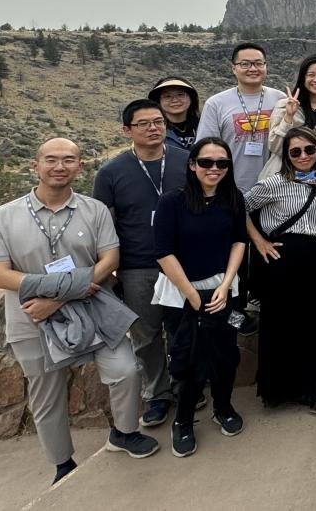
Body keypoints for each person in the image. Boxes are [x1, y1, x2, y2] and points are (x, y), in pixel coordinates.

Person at [0, 138, 159, 484]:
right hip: (32, 318)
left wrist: (59, 297)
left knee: (125, 369)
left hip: (94, 311)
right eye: (51, 159)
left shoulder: (94, 211)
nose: (59, 166)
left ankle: (123, 434)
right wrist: (66, 290)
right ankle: (62, 463)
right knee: (46, 393)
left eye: (69, 160)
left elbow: (110, 260)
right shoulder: (3, 217)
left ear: (80, 167)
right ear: (35, 166)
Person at [91, 99, 188, 428]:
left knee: (181, 331)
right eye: (144, 123)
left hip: (182, 262)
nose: (153, 128)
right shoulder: (111, 173)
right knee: (145, 335)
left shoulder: (186, 161)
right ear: (127, 130)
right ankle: (157, 395)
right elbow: (99, 224)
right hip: (137, 267)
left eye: (158, 122)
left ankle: (184, 386)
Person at [153, 138, 250, 458]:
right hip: (181, 295)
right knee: (187, 357)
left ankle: (223, 406)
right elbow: (163, 252)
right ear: (192, 165)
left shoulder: (233, 199)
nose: (214, 169)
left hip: (225, 292)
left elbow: (239, 242)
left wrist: (226, 284)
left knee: (225, 352)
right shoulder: (171, 203)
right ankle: (182, 420)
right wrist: (192, 295)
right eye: (207, 162)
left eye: (222, 163)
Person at [245, 127, 316, 416]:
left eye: (309, 150)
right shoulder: (273, 183)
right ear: (287, 156)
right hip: (280, 259)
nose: (303, 156)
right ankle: (284, 389)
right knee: (281, 323)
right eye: (296, 152)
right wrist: (259, 240)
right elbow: (238, 207)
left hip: (314, 257)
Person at [195, 42, 287, 192]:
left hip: (275, 189)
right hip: (230, 190)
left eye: (258, 63)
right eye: (245, 64)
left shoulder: (280, 99)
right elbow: (204, 150)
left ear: (265, 66)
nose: (253, 68)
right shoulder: (216, 104)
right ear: (234, 68)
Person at [264, 53, 316, 179]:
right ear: (303, 78)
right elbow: (275, 146)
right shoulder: (285, 105)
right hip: (282, 180)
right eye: (311, 75)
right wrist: (289, 117)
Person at [150, 77, 201, 150]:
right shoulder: (152, 129)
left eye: (180, 94)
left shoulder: (205, 126)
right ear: (158, 102)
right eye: (167, 96)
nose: (175, 100)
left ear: (191, 98)